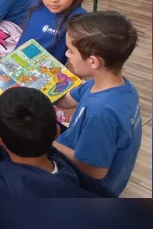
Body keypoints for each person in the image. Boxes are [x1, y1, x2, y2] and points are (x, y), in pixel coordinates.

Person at [53, 11, 142, 197]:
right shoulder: (114, 85)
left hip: (88, 186)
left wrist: (48, 143)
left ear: (93, 61)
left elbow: (95, 170)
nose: (66, 54)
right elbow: (65, 99)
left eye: (70, 50)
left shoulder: (102, 113)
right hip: (77, 150)